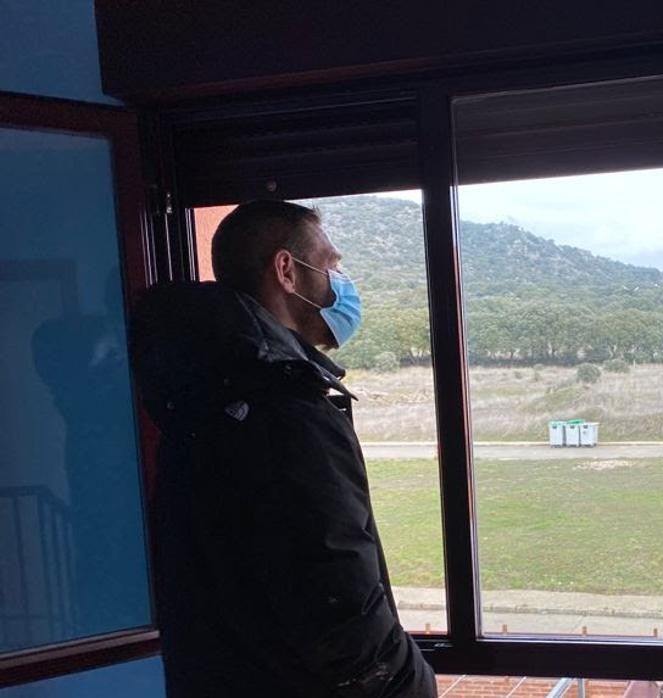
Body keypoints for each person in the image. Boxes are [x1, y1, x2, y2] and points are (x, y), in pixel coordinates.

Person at [130, 200, 436, 698]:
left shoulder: (198, 390)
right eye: (332, 264)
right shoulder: (284, 410)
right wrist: (410, 683)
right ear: (286, 271)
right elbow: (338, 600)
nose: (341, 282)